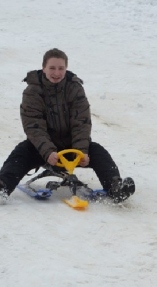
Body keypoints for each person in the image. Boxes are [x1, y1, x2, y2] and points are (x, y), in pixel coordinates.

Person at [0, 48, 135, 203]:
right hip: (43, 149)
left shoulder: (75, 88)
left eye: (61, 68)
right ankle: (3, 187)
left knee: (98, 152)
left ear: (66, 68)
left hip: (72, 147)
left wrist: (81, 151)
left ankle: (115, 188)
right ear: (44, 68)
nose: (56, 73)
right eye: (52, 68)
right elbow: (34, 126)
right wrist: (48, 151)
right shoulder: (32, 91)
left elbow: (82, 123)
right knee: (21, 154)